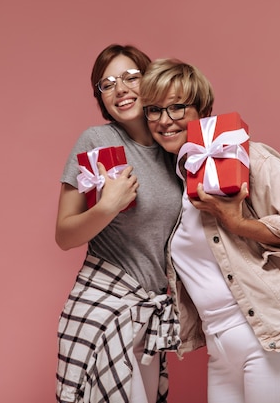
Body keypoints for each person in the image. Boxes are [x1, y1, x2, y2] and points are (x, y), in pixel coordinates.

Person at [139, 59, 280, 403]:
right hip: (222, 351)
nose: (164, 120)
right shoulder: (174, 186)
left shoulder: (250, 159)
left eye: (177, 107)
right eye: (154, 110)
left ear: (203, 110)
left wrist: (239, 223)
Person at [54, 45, 183, 403]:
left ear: (150, 81)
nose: (120, 89)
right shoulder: (96, 141)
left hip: (151, 309)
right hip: (102, 306)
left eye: (130, 78)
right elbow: (64, 234)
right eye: (107, 84)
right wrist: (107, 207)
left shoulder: (173, 149)